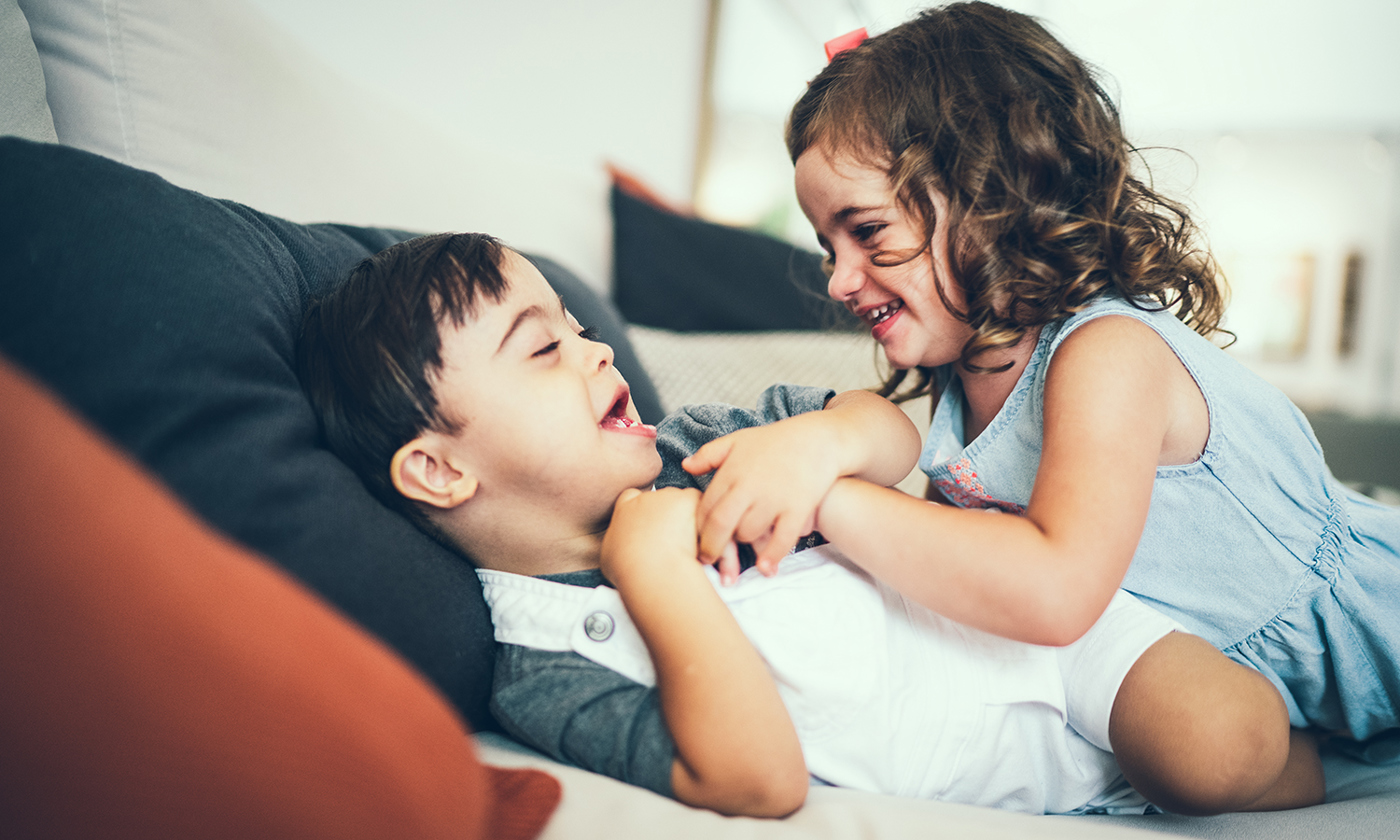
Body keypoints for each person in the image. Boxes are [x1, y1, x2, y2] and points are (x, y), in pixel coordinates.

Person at [296, 231, 1323, 818]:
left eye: (577, 329)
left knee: (1217, 746)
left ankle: (1329, 735)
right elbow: (755, 776)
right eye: (541, 351)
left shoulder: (692, 443)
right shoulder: (544, 665)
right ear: (436, 469)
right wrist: (657, 578)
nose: (595, 352)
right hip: (1016, 780)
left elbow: (892, 435)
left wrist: (822, 448)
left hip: (1035, 641)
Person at [681, 1, 1400, 765]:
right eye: (828, 247)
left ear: (994, 197)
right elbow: (956, 568)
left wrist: (828, 492)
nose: (839, 280)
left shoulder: (1106, 353)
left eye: (867, 233)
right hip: (1266, 687)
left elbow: (1053, 589)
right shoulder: (962, 382)